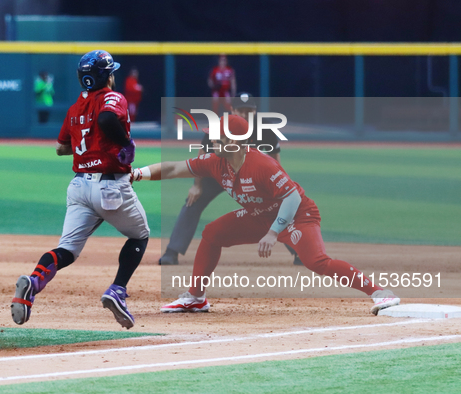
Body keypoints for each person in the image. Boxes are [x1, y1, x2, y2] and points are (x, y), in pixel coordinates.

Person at [132, 115, 400, 315]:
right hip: (260, 215)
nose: (211, 141)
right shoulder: (216, 162)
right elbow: (172, 168)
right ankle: (196, 297)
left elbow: (292, 197)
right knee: (212, 233)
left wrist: (274, 233)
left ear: (235, 142)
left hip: (297, 215)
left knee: (316, 261)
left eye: (218, 138)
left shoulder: (261, 164)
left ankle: (379, 293)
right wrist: (138, 173)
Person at [11, 50, 150, 329]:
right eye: (111, 72)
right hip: (110, 186)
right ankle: (117, 290)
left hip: (79, 186)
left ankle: (34, 282)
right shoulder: (113, 97)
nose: (113, 76)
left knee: (67, 250)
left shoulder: (75, 108)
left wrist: (87, 146)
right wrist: (125, 143)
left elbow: (61, 147)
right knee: (140, 235)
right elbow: (107, 120)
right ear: (105, 76)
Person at [159, 92, 302, 266]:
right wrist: (196, 185)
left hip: (253, 177)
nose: (245, 114)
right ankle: (171, 252)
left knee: (275, 207)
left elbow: (275, 160)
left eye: (249, 110)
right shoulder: (220, 126)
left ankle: (300, 251)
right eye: (241, 110)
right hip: (219, 174)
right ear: (232, 109)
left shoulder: (265, 128)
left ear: (255, 111)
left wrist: (280, 188)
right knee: (192, 202)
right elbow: (202, 154)